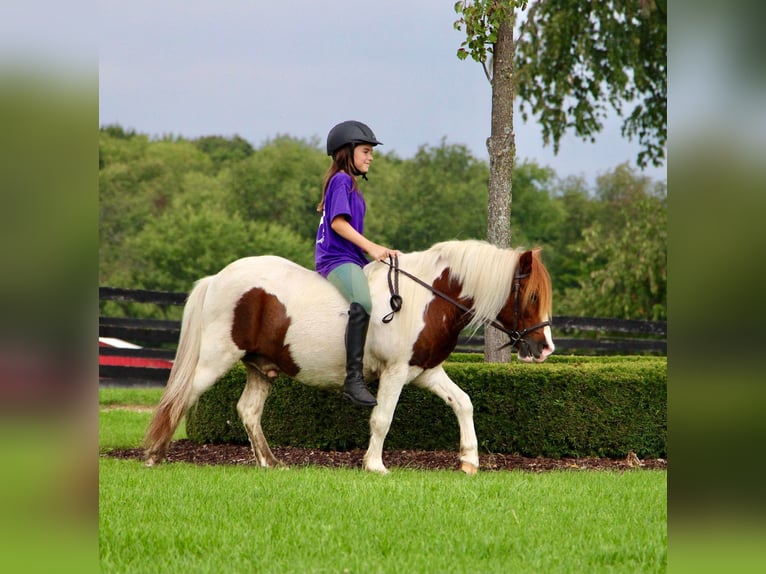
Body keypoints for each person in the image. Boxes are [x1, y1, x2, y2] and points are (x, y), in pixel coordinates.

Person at [315, 120, 400, 407]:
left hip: (352, 258)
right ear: (346, 152)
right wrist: (373, 247)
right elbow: (339, 224)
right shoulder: (341, 179)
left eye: (370, 152)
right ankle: (353, 379)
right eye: (365, 151)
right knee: (363, 302)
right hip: (336, 259)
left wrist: (381, 253)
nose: (370, 157)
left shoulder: (349, 183)